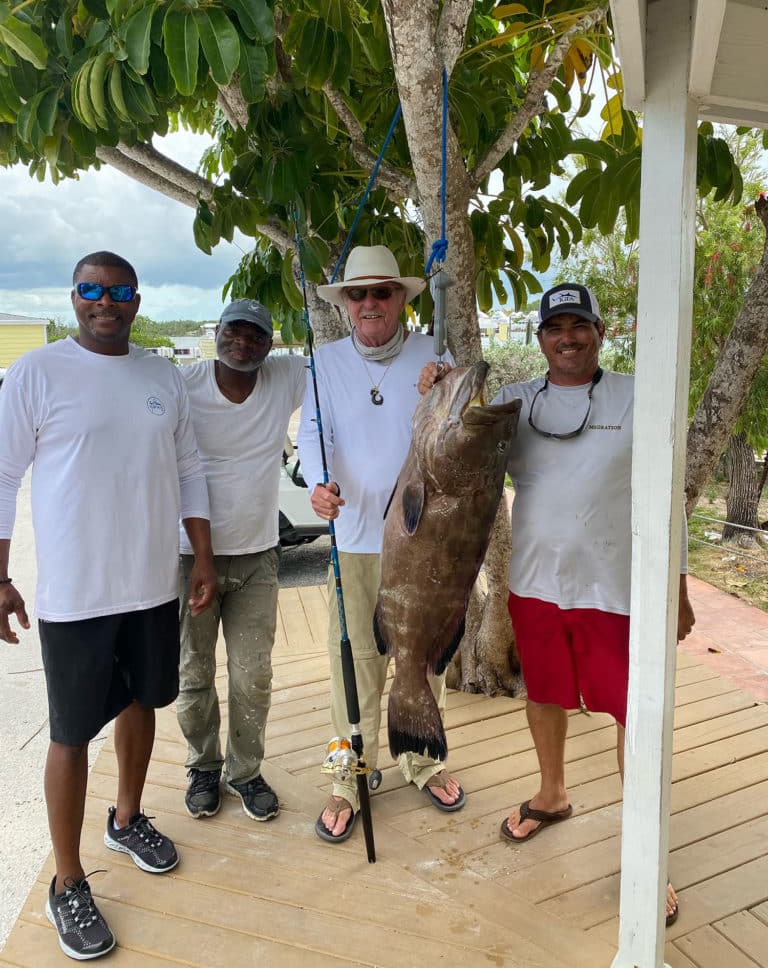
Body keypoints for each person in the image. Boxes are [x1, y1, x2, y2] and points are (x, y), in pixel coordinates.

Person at [423, 282, 694, 926]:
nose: (567, 338)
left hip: (618, 589)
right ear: (539, 339)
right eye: (555, 328)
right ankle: (553, 792)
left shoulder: (637, 395)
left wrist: (677, 587)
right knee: (543, 693)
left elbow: (669, 494)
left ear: (601, 333)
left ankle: (646, 846)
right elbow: (457, 444)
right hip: (537, 584)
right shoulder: (518, 403)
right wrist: (439, 389)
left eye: (580, 326)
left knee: (636, 713)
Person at [0, 252, 217, 961]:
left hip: (152, 583)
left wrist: (203, 556)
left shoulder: (160, 375)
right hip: (76, 595)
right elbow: (2, 477)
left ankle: (126, 818)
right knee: (69, 733)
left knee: (142, 704)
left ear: (136, 299)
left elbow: (190, 468)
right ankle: (68, 881)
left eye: (118, 291)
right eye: (91, 289)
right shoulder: (37, 373)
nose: (105, 302)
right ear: (74, 297)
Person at [297, 244, 465, 844]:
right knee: (353, 664)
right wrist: (320, 483)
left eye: (383, 292)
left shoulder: (432, 350)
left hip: (423, 542)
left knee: (420, 658)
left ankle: (422, 760)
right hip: (356, 538)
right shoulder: (325, 359)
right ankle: (349, 774)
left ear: (400, 299)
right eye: (359, 294)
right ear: (345, 304)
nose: (371, 303)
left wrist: (442, 387)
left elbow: (456, 423)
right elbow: (315, 436)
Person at [176, 299, 307, 822]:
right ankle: (203, 766)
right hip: (189, 557)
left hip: (257, 555)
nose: (244, 343)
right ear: (217, 332)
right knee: (193, 672)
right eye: (234, 331)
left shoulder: (285, 376)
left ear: (271, 344)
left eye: (256, 335)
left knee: (253, 674)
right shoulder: (182, 385)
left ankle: (245, 771)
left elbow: (348, 357)